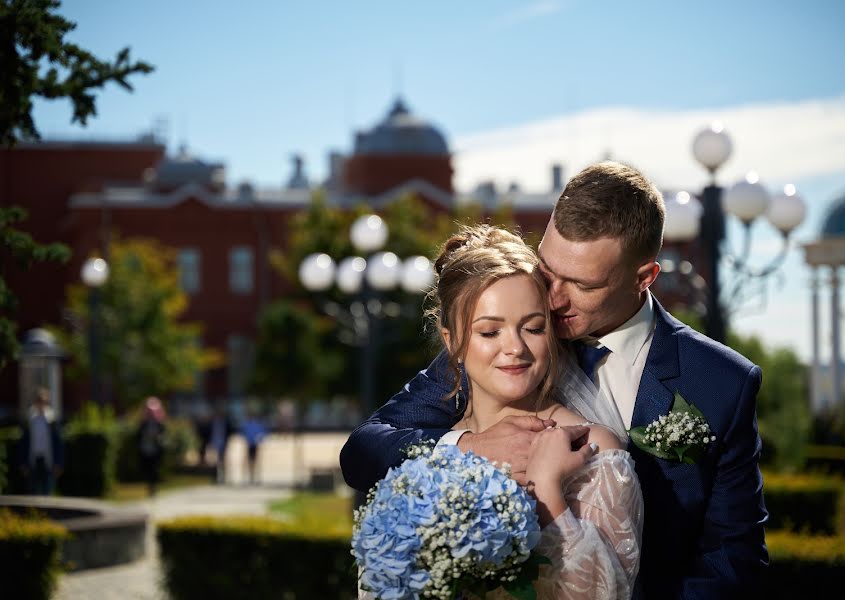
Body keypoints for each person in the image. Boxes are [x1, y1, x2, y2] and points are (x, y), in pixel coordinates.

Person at [341, 161, 768, 599]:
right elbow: (364, 449)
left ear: (644, 277)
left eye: (582, 284)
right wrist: (468, 449)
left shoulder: (721, 383)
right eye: (548, 269)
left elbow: (732, 559)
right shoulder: (501, 347)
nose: (554, 298)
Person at [362, 224, 643, 599]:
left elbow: (607, 593)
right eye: (490, 332)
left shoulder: (591, 447)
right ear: (453, 341)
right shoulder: (433, 452)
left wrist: (547, 490)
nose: (515, 348)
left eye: (533, 328)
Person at [17, 387, 64, 495]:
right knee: (32, 490)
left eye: (44, 401)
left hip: (48, 460)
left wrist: (59, 463)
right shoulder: (30, 420)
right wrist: (23, 463)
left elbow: (58, 443)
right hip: (33, 459)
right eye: (39, 401)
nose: (41, 404)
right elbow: (23, 443)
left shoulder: (52, 420)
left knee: (47, 490)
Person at [137, 396, 166, 496]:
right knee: (146, 469)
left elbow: (163, 435)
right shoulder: (143, 423)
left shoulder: (159, 424)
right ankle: (150, 487)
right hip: (145, 449)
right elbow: (138, 435)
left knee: (154, 470)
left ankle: (153, 488)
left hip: (155, 450)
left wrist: (156, 437)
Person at [209, 402, 236, 484]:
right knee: (214, 460)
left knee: (223, 460)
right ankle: (216, 477)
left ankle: (224, 477)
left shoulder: (226, 421)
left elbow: (230, 431)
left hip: (223, 442)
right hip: (215, 442)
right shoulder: (213, 421)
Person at [241, 408, 267, 485]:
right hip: (250, 444)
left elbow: (262, 433)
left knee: (255, 461)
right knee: (250, 461)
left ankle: (254, 477)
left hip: (254, 444)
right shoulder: (247, 424)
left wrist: (259, 439)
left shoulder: (256, 424)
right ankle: (250, 477)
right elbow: (244, 433)